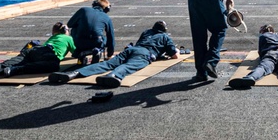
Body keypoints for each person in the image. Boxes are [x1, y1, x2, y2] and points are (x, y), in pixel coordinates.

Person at [48, 20, 180, 88]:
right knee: (129, 66)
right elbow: (174, 55)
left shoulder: (146, 32)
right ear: (164, 30)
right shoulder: (164, 37)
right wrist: (177, 50)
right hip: (145, 53)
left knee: (107, 63)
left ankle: (73, 73)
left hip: (132, 49)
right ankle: (114, 75)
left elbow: (139, 42)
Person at [67, 0, 115, 65]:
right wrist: (110, 54)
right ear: (107, 9)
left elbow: (70, 24)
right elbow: (111, 37)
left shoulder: (83, 10)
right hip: (96, 42)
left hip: (80, 42)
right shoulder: (107, 17)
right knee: (105, 38)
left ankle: (79, 52)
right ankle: (97, 51)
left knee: (74, 29)